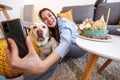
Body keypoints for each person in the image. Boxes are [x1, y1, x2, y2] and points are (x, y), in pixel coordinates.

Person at [5, 8, 86, 80]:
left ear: (54, 15)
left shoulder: (64, 22)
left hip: (79, 47)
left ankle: (23, 78)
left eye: (50, 15)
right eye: (45, 19)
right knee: (51, 54)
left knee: (53, 52)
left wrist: (44, 64)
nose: (49, 19)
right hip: (66, 48)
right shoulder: (50, 30)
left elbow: (66, 42)